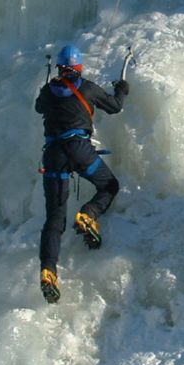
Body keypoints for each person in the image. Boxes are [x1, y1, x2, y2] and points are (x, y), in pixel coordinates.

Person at [35, 44, 129, 304]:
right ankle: (89, 214)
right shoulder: (86, 88)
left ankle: (48, 271)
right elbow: (115, 107)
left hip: (53, 156)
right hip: (79, 150)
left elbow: (39, 108)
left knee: (54, 218)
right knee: (109, 186)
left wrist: (50, 88)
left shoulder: (47, 90)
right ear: (78, 67)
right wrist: (121, 89)